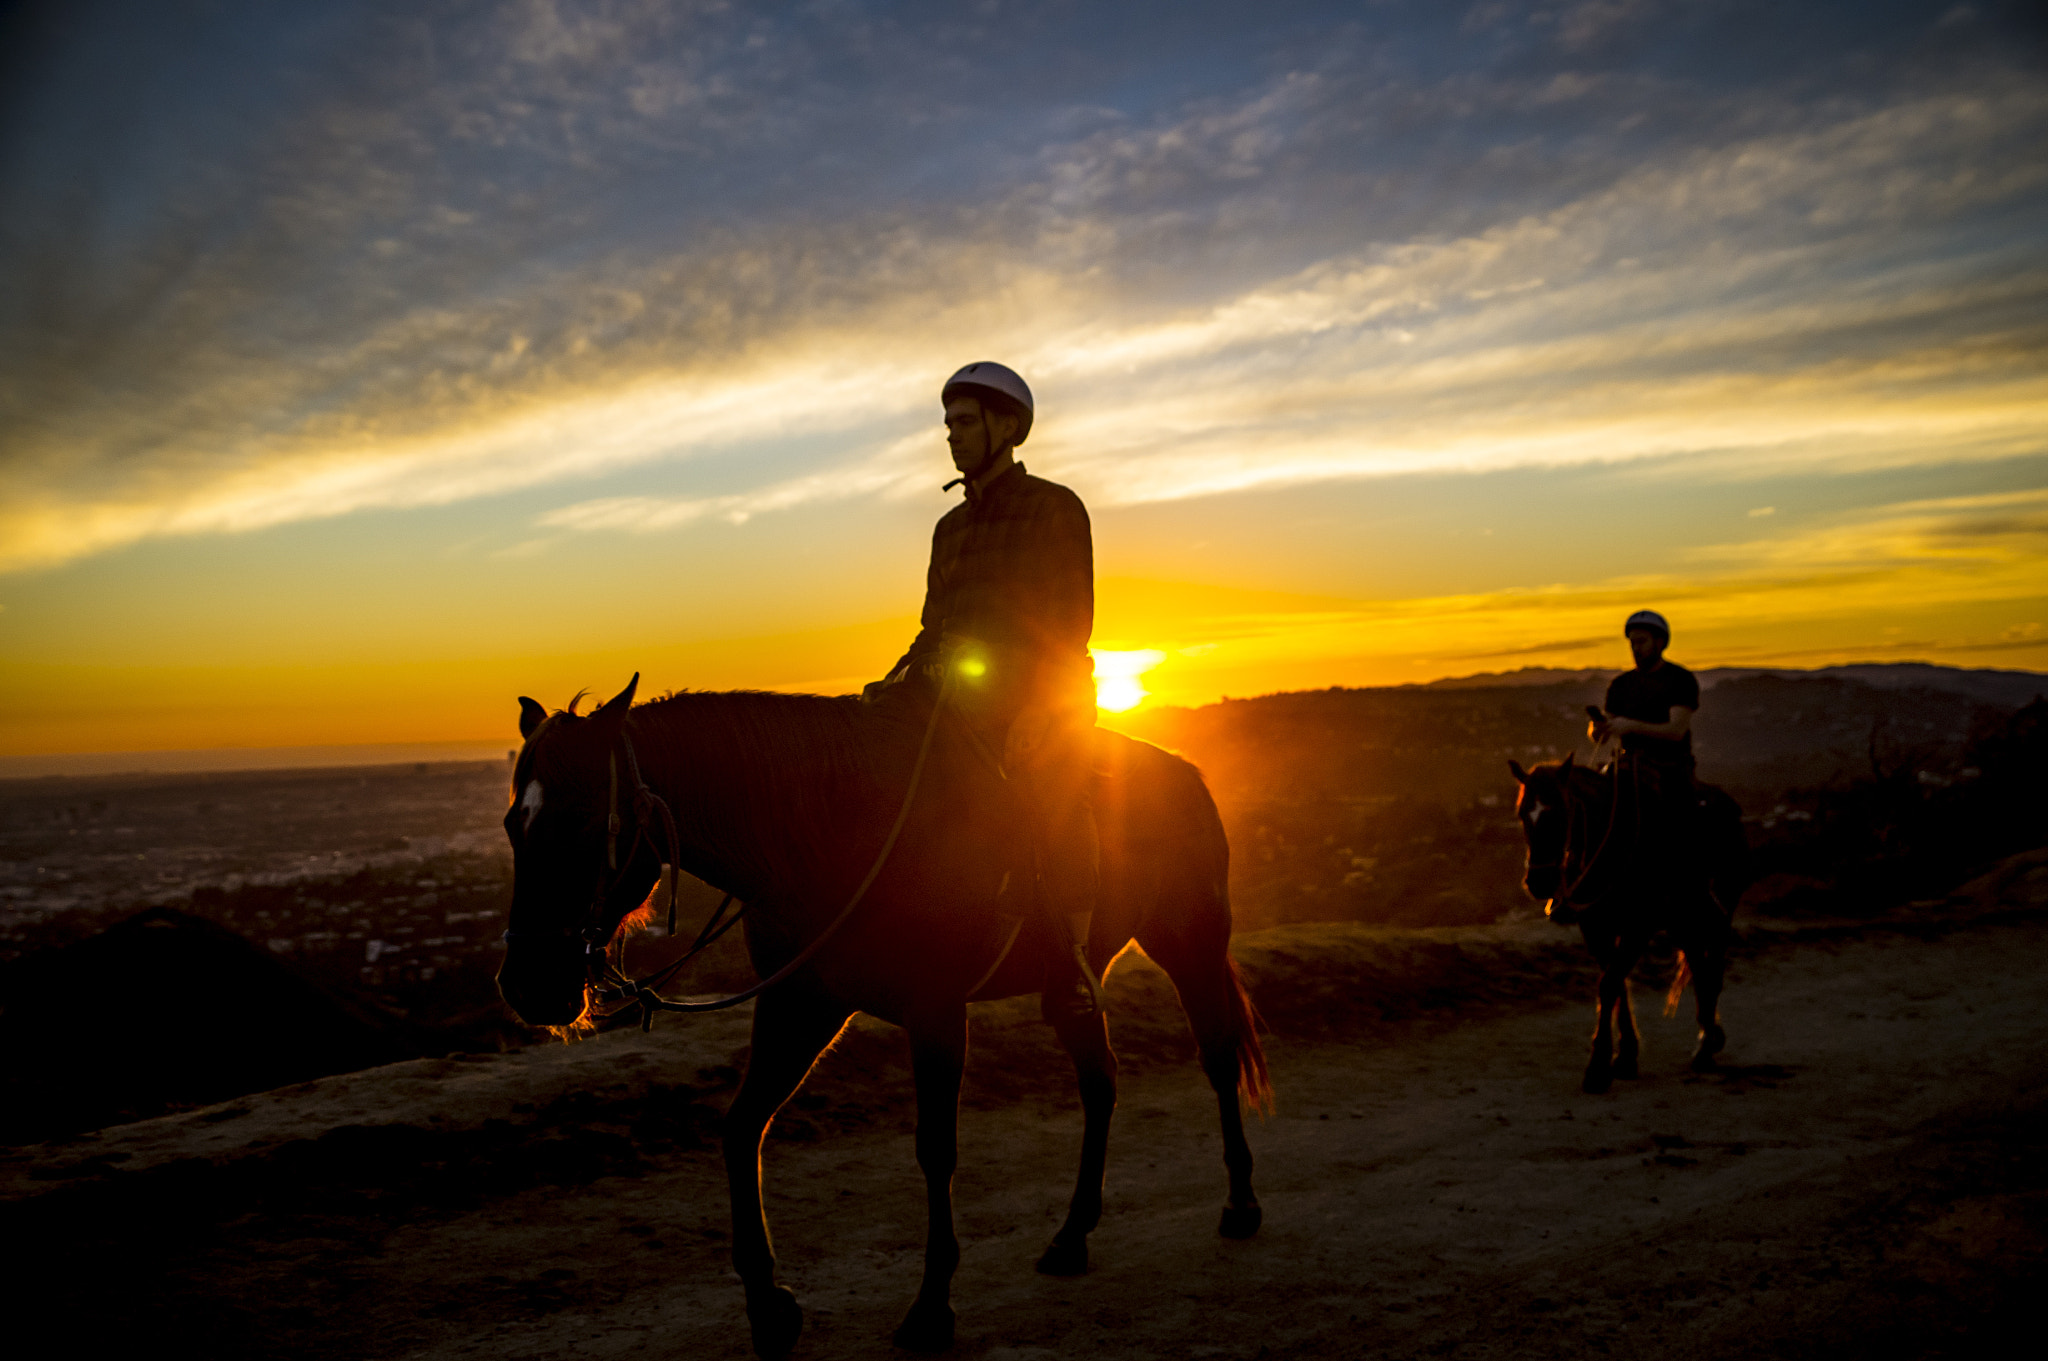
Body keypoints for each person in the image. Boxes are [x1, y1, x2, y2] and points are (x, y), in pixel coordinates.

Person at [866, 362, 1104, 1016]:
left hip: (1044, 699)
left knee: (1055, 805)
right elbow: (930, 630)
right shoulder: (949, 529)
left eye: (965, 422)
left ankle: (1074, 964)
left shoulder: (1055, 508)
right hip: (954, 703)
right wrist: (888, 689)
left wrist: (1036, 710)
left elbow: (1068, 624)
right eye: (948, 424)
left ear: (1007, 427)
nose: (952, 435)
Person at [1587, 609, 1700, 860]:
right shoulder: (1620, 685)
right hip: (1627, 767)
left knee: (1682, 831)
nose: (1636, 649)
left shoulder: (1679, 680)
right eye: (1632, 643)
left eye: (1641, 642)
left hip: (1670, 770)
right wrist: (1599, 729)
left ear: (1659, 643)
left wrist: (1630, 726)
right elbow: (1603, 734)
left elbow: (1676, 731)